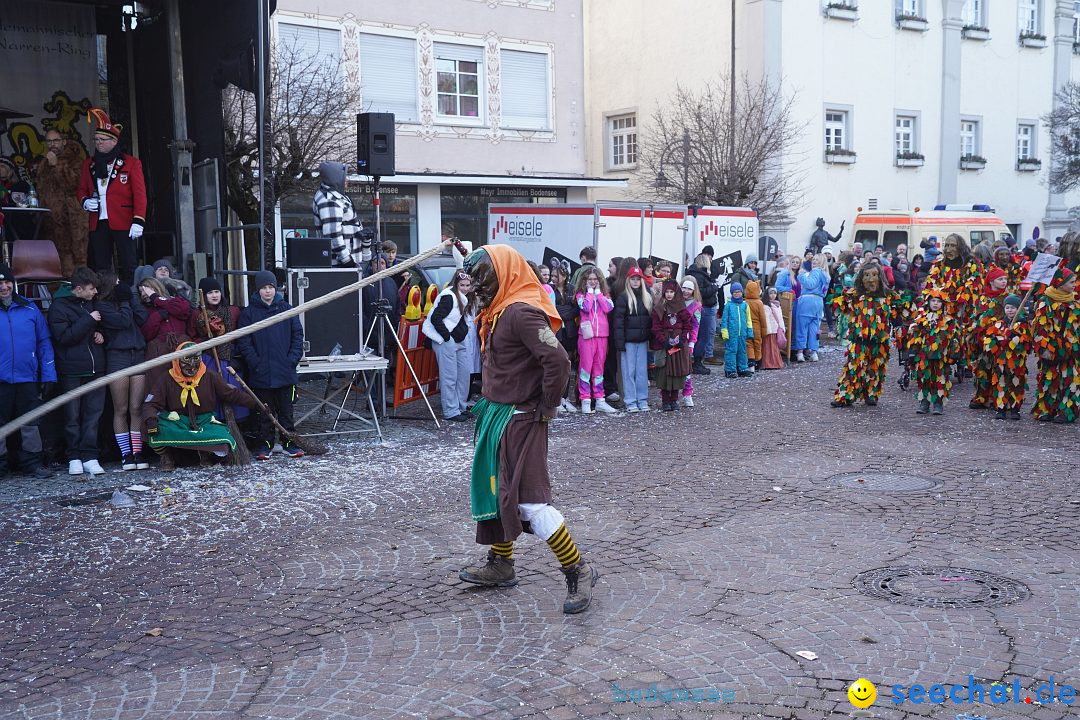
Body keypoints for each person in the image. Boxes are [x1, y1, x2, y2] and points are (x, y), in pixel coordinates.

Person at [458, 245, 597, 614]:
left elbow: (558, 360)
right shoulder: (498, 308)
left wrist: (547, 406)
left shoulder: (519, 312)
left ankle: (578, 569)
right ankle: (502, 563)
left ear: (502, 275)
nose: (478, 287)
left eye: (483, 278)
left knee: (529, 501)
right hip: (497, 415)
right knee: (498, 493)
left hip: (521, 418)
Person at [143, 342, 258, 470]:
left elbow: (230, 394)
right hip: (178, 422)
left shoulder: (209, 375)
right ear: (177, 360)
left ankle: (205, 454)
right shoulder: (166, 378)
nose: (192, 365)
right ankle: (167, 457)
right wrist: (151, 419)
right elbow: (151, 403)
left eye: (196, 359)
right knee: (155, 429)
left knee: (225, 440)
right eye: (187, 360)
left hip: (205, 421)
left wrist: (255, 403)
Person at [236, 270, 306, 457]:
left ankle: (289, 442)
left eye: (270, 287)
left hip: (285, 370)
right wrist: (255, 362)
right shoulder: (249, 313)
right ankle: (265, 445)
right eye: (264, 288)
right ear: (258, 290)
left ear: (276, 289)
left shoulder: (287, 309)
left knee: (286, 410)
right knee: (264, 412)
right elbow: (244, 341)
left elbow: (298, 336)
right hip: (261, 371)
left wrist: (291, 360)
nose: (267, 291)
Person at [47, 266, 106, 476]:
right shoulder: (58, 308)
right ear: (78, 288)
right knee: (72, 416)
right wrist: (89, 320)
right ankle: (74, 457)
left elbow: (94, 328)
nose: (95, 293)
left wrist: (99, 333)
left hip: (95, 368)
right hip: (71, 370)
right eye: (91, 289)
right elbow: (64, 337)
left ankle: (90, 456)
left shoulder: (90, 303)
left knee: (93, 415)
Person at [76, 108, 146, 283]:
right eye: (96, 139)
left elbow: (140, 194)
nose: (98, 143)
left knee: (129, 264)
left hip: (124, 220)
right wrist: (85, 201)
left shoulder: (131, 163)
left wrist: (138, 220)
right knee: (100, 266)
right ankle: (105, 300)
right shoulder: (89, 164)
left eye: (102, 139)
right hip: (98, 222)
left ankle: (133, 299)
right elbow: (81, 190)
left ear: (113, 141)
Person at [0, 263, 56, 479]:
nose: (4, 287)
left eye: (7, 282)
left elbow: (44, 343)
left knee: (30, 423)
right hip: (1, 379)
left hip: (27, 377)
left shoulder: (30, 308)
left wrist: (49, 374)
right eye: (0, 283)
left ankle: (32, 464)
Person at [97, 272, 150, 470]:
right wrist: (125, 301)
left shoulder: (127, 300)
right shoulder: (102, 306)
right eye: (118, 283)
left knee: (136, 407)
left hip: (137, 354)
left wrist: (130, 299)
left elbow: (142, 317)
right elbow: (123, 321)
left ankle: (137, 451)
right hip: (117, 357)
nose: (121, 286)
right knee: (121, 408)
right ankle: (125, 454)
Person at [831, 264, 894, 408]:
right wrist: (840, 298)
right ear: (861, 278)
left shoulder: (888, 296)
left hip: (879, 341)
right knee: (854, 368)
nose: (870, 279)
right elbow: (840, 306)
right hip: (859, 340)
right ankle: (846, 396)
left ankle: (871, 395)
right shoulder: (855, 295)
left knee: (875, 370)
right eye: (866, 275)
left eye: (874, 275)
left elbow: (902, 310)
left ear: (880, 277)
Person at [187, 276, 248, 423]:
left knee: (234, 393)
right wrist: (204, 341)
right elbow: (191, 336)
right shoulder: (197, 314)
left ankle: (237, 428)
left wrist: (236, 349)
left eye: (216, 291)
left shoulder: (233, 311)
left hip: (230, 360)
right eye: (210, 293)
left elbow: (242, 334)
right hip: (209, 359)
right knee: (213, 393)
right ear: (203, 295)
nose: (214, 295)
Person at [423, 269, 474, 423]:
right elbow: (435, 318)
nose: (465, 288)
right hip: (445, 340)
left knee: (463, 375)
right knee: (449, 376)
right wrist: (446, 337)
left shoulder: (464, 297)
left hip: (458, 339)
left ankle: (460, 406)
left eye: (467, 285)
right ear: (456, 284)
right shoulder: (449, 296)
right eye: (462, 285)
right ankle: (451, 410)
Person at [34, 130, 88, 276]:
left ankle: (78, 292)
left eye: (56, 140)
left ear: (63, 141)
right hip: (49, 219)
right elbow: (40, 189)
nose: (52, 145)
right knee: (53, 260)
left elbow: (73, 185)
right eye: (49, 141)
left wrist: (55, 165)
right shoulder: (43, 163)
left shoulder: (76, 161)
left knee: (75, 260)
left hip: (71, 219)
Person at [1031, 267, 1080, 423]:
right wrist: (1043, 348)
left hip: (1071, 350)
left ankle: (1067, 411)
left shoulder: (1075, 302)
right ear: (1060, 284)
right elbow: (1039, 327)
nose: (1075, 284)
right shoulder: (1044, 302)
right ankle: (1047, 409)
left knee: (1070, 378)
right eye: (1071, 282)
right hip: (1050, 349)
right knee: (1049, 378)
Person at [908, 288, 959, 415]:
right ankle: (924, 402)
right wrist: (913, 351)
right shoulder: (922, 319)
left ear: (943, 304)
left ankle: (938, 403)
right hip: (924, 355)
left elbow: (954, 338)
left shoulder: (948, 320)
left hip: (942, 355)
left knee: (940, 378)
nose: (935, 304)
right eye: (933, 301)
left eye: (938, 301)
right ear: (928, 303)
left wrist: (954, 353)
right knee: (924, 378)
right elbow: (916, 337)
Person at [574, 266, 615, 414]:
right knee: (585, 368)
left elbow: (608, 308)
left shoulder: (604, 295)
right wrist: (590, 292)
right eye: (589, 279)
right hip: (586, 337)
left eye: (595, 279)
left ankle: (600, 399)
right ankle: (585, 399)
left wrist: (598, 293)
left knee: (599, 369)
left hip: (602, 336)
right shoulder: (580, 295)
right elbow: (586, 307)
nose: (592, 281)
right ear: (585, 280)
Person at [313, 160, 369, 269]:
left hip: (346, 262)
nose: (346, 180)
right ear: (335, 178)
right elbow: (332, 233)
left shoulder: (335, 196)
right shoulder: (329, 200)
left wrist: (360, 232)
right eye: (344, 176)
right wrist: (347, 260)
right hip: (340, 264)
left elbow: (345, 225)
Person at [983, 294, 1031, 420]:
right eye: (1008, 307)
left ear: (1018, 309)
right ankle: (1001, 408)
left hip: (1016, 361)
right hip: (1001, 360)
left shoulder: (1023, 324)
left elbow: (1026, 341)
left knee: (1016, 383)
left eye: (1013, 308)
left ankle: (1015, 408)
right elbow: (990, 338)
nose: (1010, 310)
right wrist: (996, 340)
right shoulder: (999, 324)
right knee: (1001, 383)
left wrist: (1015, 336)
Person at [613, 266, 652, 413]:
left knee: (642, 371)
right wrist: (620, 342)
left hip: (642, 341)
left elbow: (649, 320)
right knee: (628, 372)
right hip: (628, 341)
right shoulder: (623, 297)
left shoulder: (646, 296)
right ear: (629, 280)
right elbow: (618, 322)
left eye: (638, 279)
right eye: (633, 279)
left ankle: (642, 399)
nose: (636, 282)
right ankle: (630, 401)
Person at [650, 278, 692, 411]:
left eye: (671, 292)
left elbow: (687, 325)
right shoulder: (659, 308)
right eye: (666, 291)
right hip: (665, 344)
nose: (669, 294)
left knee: (677, 372)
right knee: (665, 372)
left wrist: (683, 339)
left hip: (678, 345)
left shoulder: (681, 308)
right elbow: (656, 327)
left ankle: (674, 399)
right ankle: (665, 400)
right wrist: (664, 341)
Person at [138, 277, 192, 364]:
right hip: (159, 353)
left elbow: (183, 308)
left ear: (155, 287)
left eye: (146, 290)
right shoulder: (144, 309)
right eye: (141, 292)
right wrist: (158, 316)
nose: (143, 294)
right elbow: (146, 334)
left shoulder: (172, 301)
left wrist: (155, 298)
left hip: (182, 349)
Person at [551, 265, 579, 413]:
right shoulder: (550, 289)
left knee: (568, 362)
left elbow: (576, 308)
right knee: (557, 363)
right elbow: (551, 308)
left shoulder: (572, 289)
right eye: (552, 276)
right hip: (556, 331)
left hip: (569, 331)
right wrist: (563, 312)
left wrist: (565, 313)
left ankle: (565, 397)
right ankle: (556, 397)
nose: (554, 279)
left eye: (557, 276)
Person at [684, 254, 718, 375]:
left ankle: (696, 361)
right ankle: (697, 362)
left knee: (698, 336)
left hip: (704, 307)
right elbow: (701, 292)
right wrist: (714, 288)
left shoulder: (697, 273)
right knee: (701, 336)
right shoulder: (699, 275)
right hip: (704, 308)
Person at [794, 254, 829, 362]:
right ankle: (814, 352)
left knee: (802, 327)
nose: (814, 261)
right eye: (813, 259)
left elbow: (810, 284)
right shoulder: (826, 275)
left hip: (807, 301)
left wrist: (801, 275)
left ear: (821, 262)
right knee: (814, 329)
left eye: (817, 260)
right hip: (818, 302)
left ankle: (800, 353)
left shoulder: (815, 271)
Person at [720, 282, 753, 378]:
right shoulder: (728, 305)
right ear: (732, 293)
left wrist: (749, 331)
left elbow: (749, 320)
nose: (737, 294)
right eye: (734, 292)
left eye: (738, 292)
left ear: (742, 292)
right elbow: (724, 320)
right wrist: (724, 332)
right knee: (731, 351)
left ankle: (742, 368)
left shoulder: (745, 305)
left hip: (742, 333)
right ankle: (730, 370)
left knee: (742, 351)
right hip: (731, 334)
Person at [679, 276, 702, 407]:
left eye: (689, 289)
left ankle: (687, 394)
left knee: (686, 368)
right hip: (673, 338)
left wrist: (693, 341)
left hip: (686, 340)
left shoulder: (696, 305)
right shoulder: (674, 300)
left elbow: (695, 325)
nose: (686, 291)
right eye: (684, 287)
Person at [760, 286, 786, 370]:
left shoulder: (777, 304)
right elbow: (766, 319)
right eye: (771, 293)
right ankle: (768, 364)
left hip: (776, 329)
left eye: (774, 293)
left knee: (774, 348)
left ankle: (775, 363)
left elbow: (780, 318)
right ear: (767, 295)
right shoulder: (766, 306)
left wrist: (781, 328)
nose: (773, 295)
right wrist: (767, 330)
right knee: (769, 348)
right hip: (770, 330)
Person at [743, 280, 767, 371]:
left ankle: (751, 363)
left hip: (747, 327)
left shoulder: (745, 302)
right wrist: (764, 331)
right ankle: (758, 363)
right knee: (758, 345)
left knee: (749, 344)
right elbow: (762, 319)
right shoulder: (759, 303)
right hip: (757, 328)